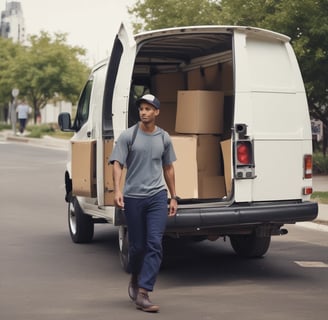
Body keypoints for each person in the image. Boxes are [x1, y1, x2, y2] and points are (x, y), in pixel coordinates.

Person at [109, 93, 178, 313]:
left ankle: (144, 292)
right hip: (133, 197)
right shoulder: (128, 136)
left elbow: (168, 168)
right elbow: (117, 163)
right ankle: (136, 276)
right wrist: (118, 189)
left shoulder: (164, 138)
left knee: (155, 243)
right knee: (137, 247)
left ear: (157, 112)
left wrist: (173, 196)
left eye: (148, 109)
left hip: (157, 197)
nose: (144, 112)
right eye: (141, 109)